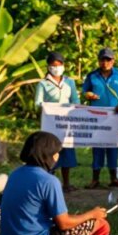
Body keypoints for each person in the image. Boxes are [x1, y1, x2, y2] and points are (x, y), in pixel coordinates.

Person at [0, 131, 110, 235]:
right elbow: (64, 223)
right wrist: (92, 214)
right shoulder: (48, 181)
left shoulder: (15, 174)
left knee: (77, 221)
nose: (58, 157)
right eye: (57, 153)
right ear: (48, 155)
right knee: (101, 226)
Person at [81, 47, 118, 189]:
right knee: (97, 146)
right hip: (97, 116)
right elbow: (85, 91)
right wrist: (88, 95)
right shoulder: (92, 76)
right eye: (102, 59)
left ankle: (113, 178)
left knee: (112, 147)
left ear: (113, 61)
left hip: (114, 115)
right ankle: (95, 179)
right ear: (98, 61)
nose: (105, 62)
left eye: (108, 59)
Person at [35, 51, 81, 191]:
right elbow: (38, 103)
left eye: (59, 64)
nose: (56, 67)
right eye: (53, 65)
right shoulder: (43, 84)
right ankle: (49, 183)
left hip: (66, 123)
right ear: (48, 66)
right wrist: (49, 108)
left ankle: (66, 183)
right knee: (50, 151)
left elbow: (75, 100)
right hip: (51, 124)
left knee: (66, 151)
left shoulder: (70, 82)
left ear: (63, 65)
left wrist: (73, 108)